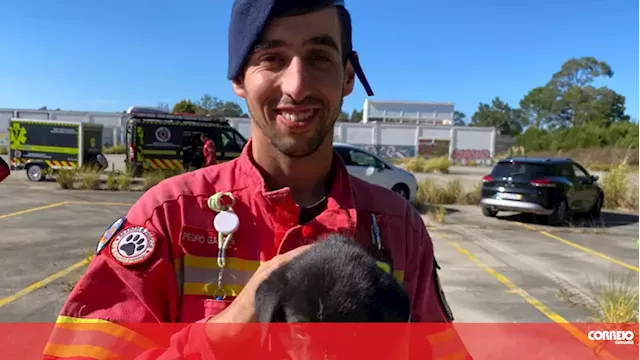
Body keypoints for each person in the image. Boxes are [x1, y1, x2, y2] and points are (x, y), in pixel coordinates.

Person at [42, 0, 472, 359]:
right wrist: (223, 333)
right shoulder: (169, 218)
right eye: (271, 58)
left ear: (347, 77)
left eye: (320, 57)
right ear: (238, 79)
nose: (297, 85)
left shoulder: (399, 230)